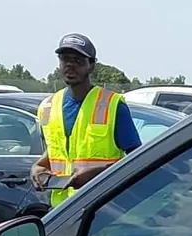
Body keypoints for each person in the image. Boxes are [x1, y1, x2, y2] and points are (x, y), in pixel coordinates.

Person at [31, 33, 141, 206]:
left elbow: (137, 159)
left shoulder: (112, 105)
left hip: (103, 206)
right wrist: (39, 166)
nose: (70, 65)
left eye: (78, 60)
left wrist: (97, 173)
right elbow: (56, 151)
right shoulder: (47, 107)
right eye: (65, 59)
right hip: (62, 210)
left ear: (91, 66)